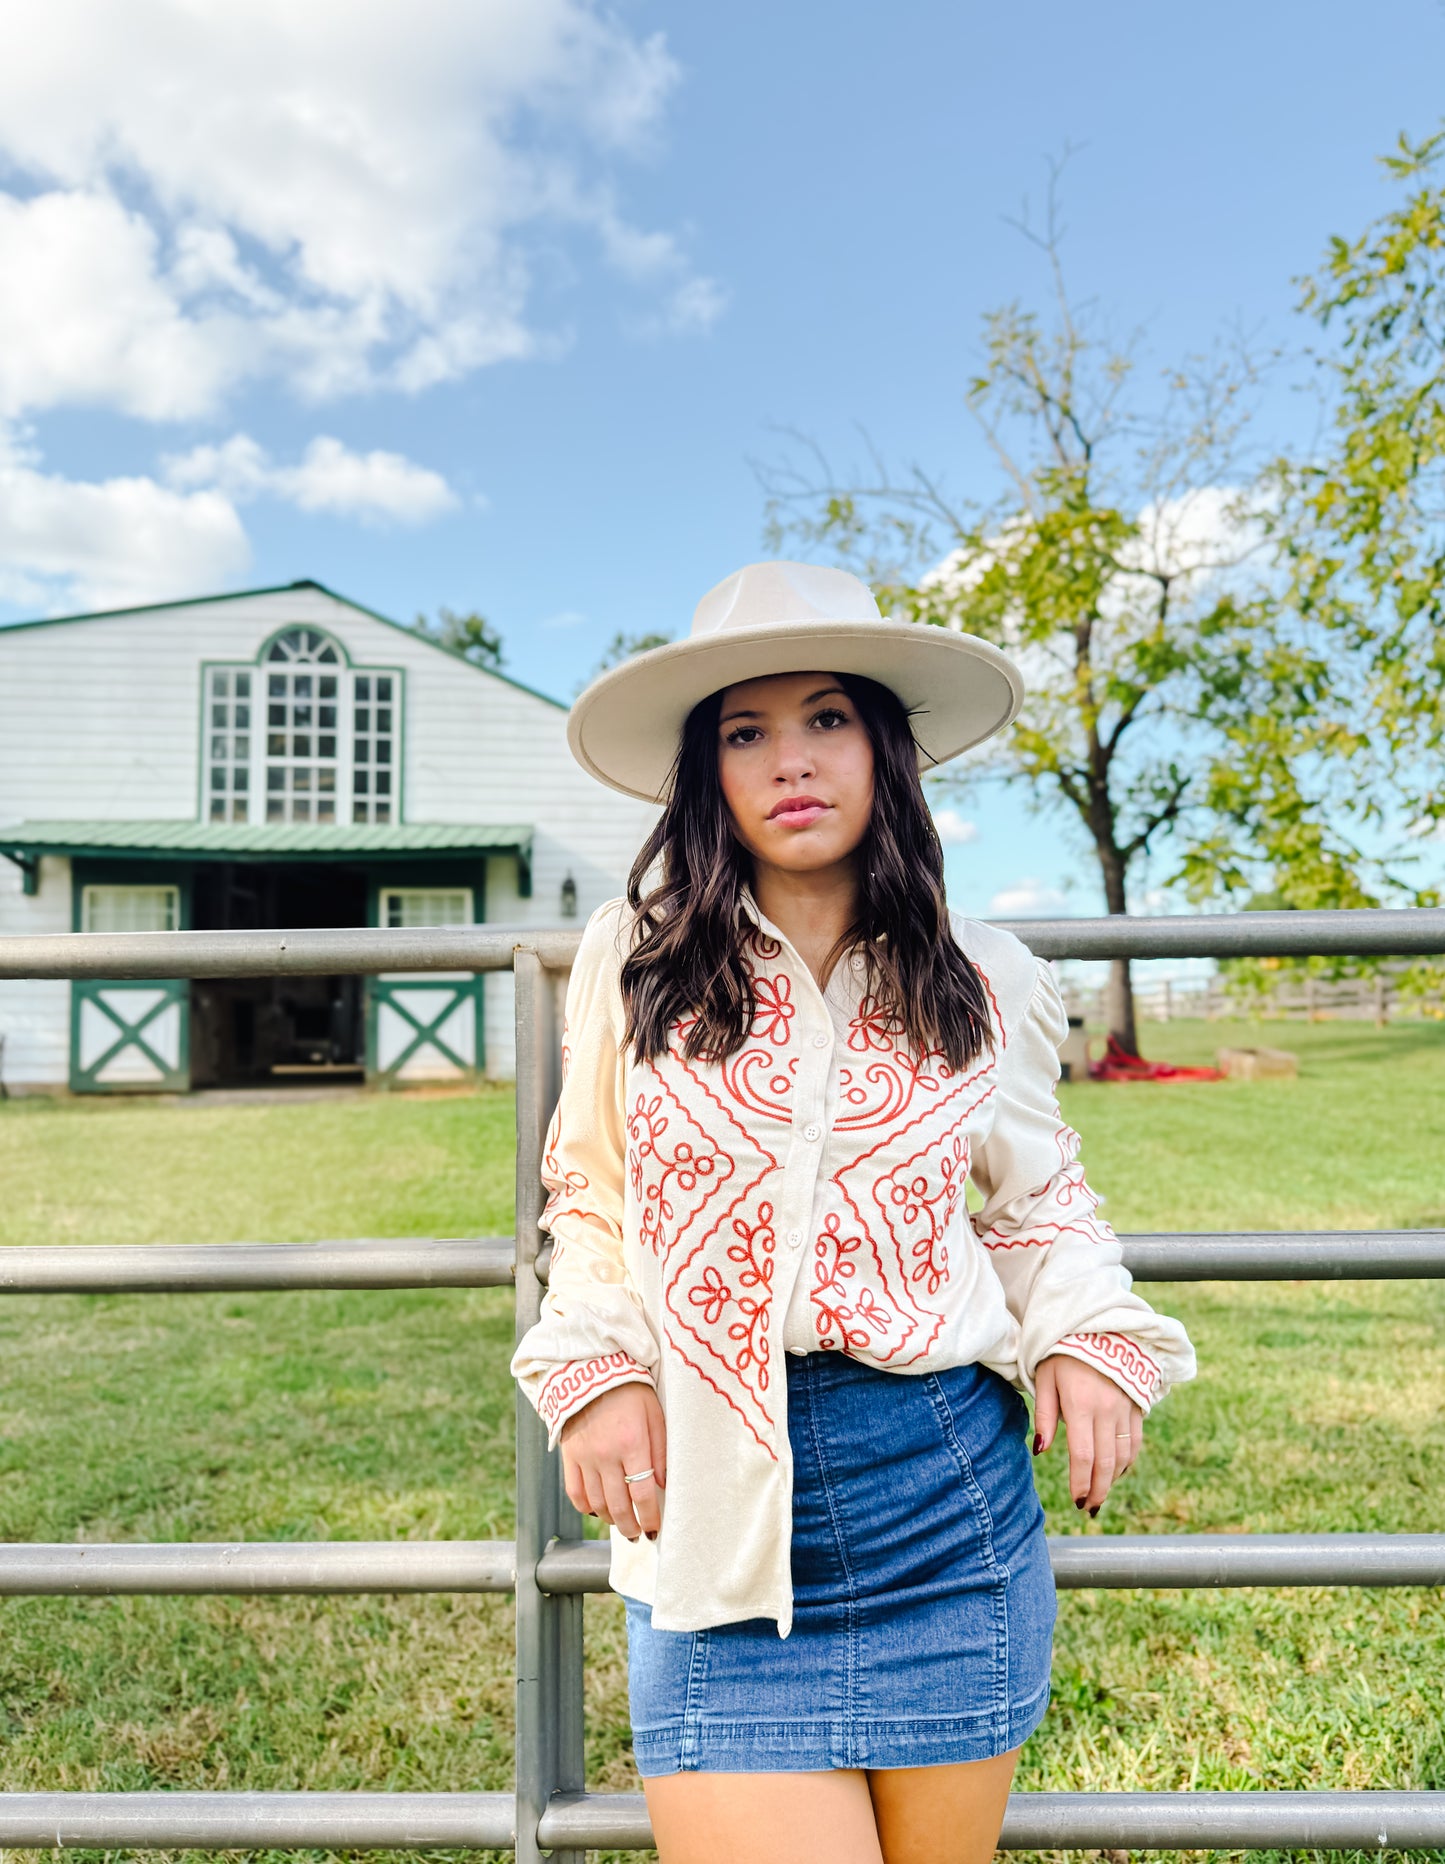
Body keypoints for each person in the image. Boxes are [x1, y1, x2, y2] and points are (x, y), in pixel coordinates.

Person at [511, 561, 1197, 1864]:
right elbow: (588, 1193)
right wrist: (595, 1366)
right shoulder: (635, 958)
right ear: (705, 771)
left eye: (827, 718)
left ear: (883, 748)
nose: (791, 760)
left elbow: (1037, 1197)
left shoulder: (983, 976)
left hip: (940, 1497)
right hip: (710, 1517)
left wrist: (1086, 1336)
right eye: (746, 730)